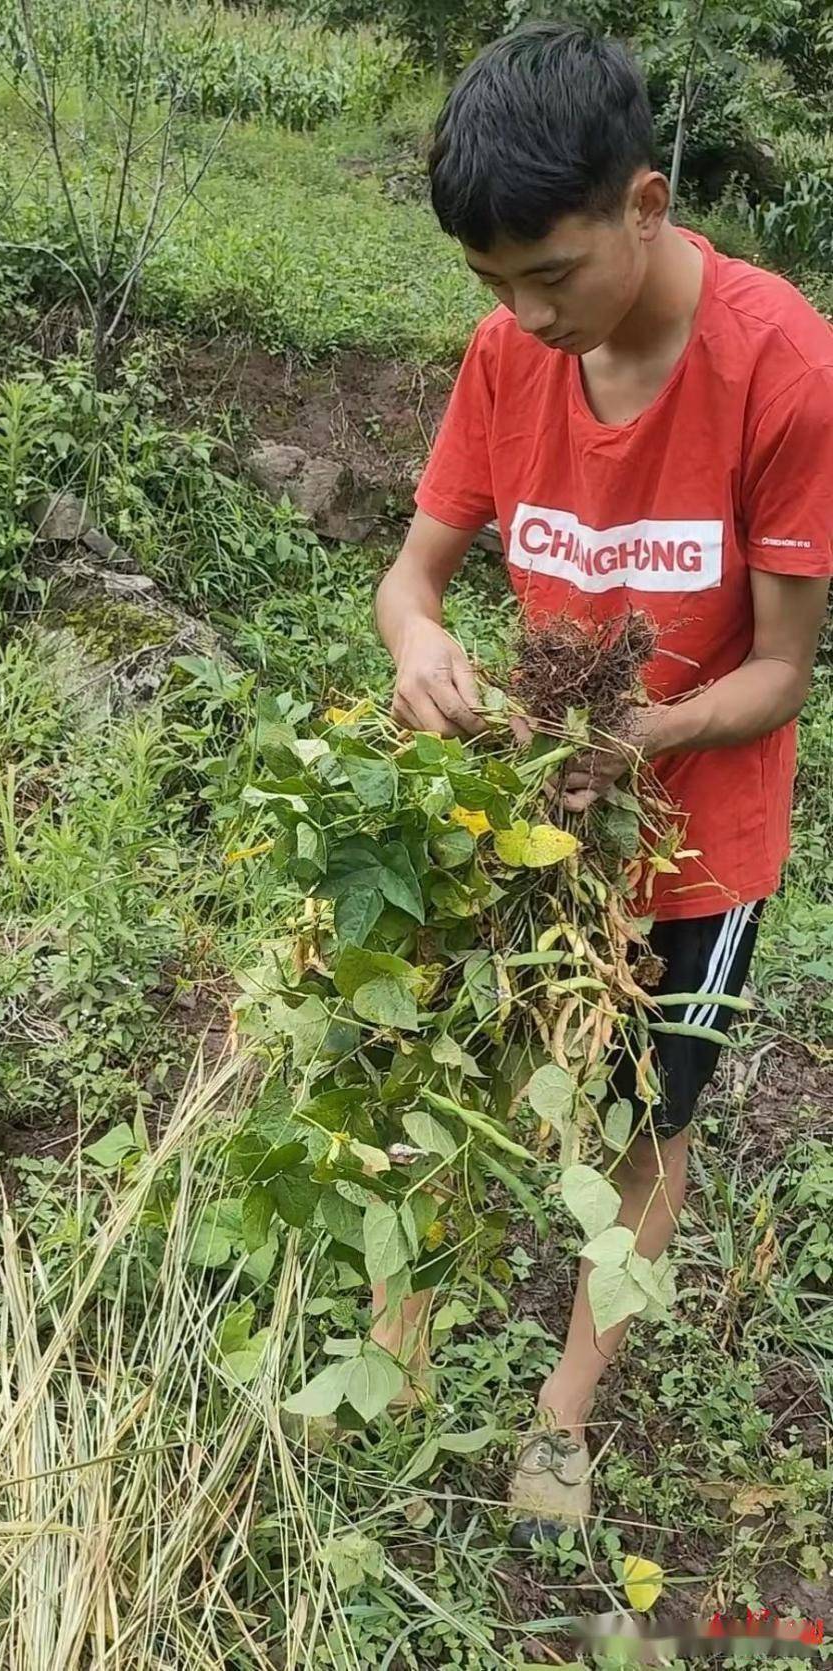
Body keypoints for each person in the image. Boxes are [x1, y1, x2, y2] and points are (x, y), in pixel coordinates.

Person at [373, 21, 832, 1549]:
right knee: (441, 1057)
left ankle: (563, 1419)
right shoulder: (509, 353)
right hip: (521, 806)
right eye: (491, 283)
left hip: (694, 832)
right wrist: (423, 644)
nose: (521, 313)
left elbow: (778, 674)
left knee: (647, 1116)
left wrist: (636, 740)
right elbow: (412, 579)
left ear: (645, 203)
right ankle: (396, 1344)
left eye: (550, 272)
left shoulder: (785, 367)